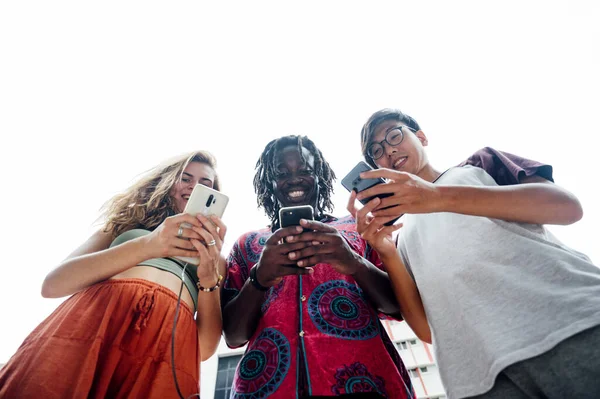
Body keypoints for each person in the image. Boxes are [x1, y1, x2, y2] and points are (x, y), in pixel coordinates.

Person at [351, 108, 600, 399]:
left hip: (570, 325)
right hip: (479, 378)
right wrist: (386, 251)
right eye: (376, 150)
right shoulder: (402, 236)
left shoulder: (479, 164)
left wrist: (436, 196)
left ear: (421, 137)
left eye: (394, 135)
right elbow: (425, 330)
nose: (389, 149)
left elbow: (566, 207)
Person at [0, 151, 227, 399]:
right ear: (166, 183)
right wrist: (150, 244)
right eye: (186, 178)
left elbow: (203, 349)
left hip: (164, 350)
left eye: (206, 184)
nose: (195, 187)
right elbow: (52, 285)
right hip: (94, 325)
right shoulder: (124, 225)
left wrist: (208, 279)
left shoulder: (217, 260)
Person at [221, 135, 415, 399]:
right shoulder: (247, 245)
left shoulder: (359, 229)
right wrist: (258, 279)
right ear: (270, 182)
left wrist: (354, 262)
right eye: (281, 173)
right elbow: (233, 336)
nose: (294, 179)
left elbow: (398, 307)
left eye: (305, 171)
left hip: (367, 382)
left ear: (320, 177)